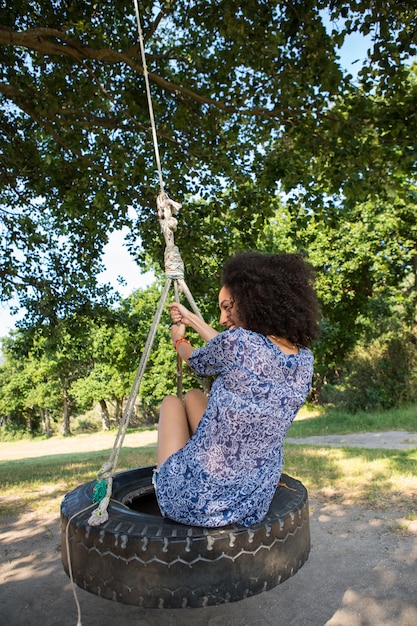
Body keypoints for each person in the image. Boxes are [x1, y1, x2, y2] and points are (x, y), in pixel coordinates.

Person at [153, 251, 320, 528]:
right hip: (250, 502)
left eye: (227, 307)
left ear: (253, 301)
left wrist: (178, 339)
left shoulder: (238, 344)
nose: (221, 318)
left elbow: (197, 360)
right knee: (194, 396)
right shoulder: (304, 359)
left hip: (193, 501)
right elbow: (234, 348)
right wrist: (192, 318)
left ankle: (181, 478)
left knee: (173, 401)